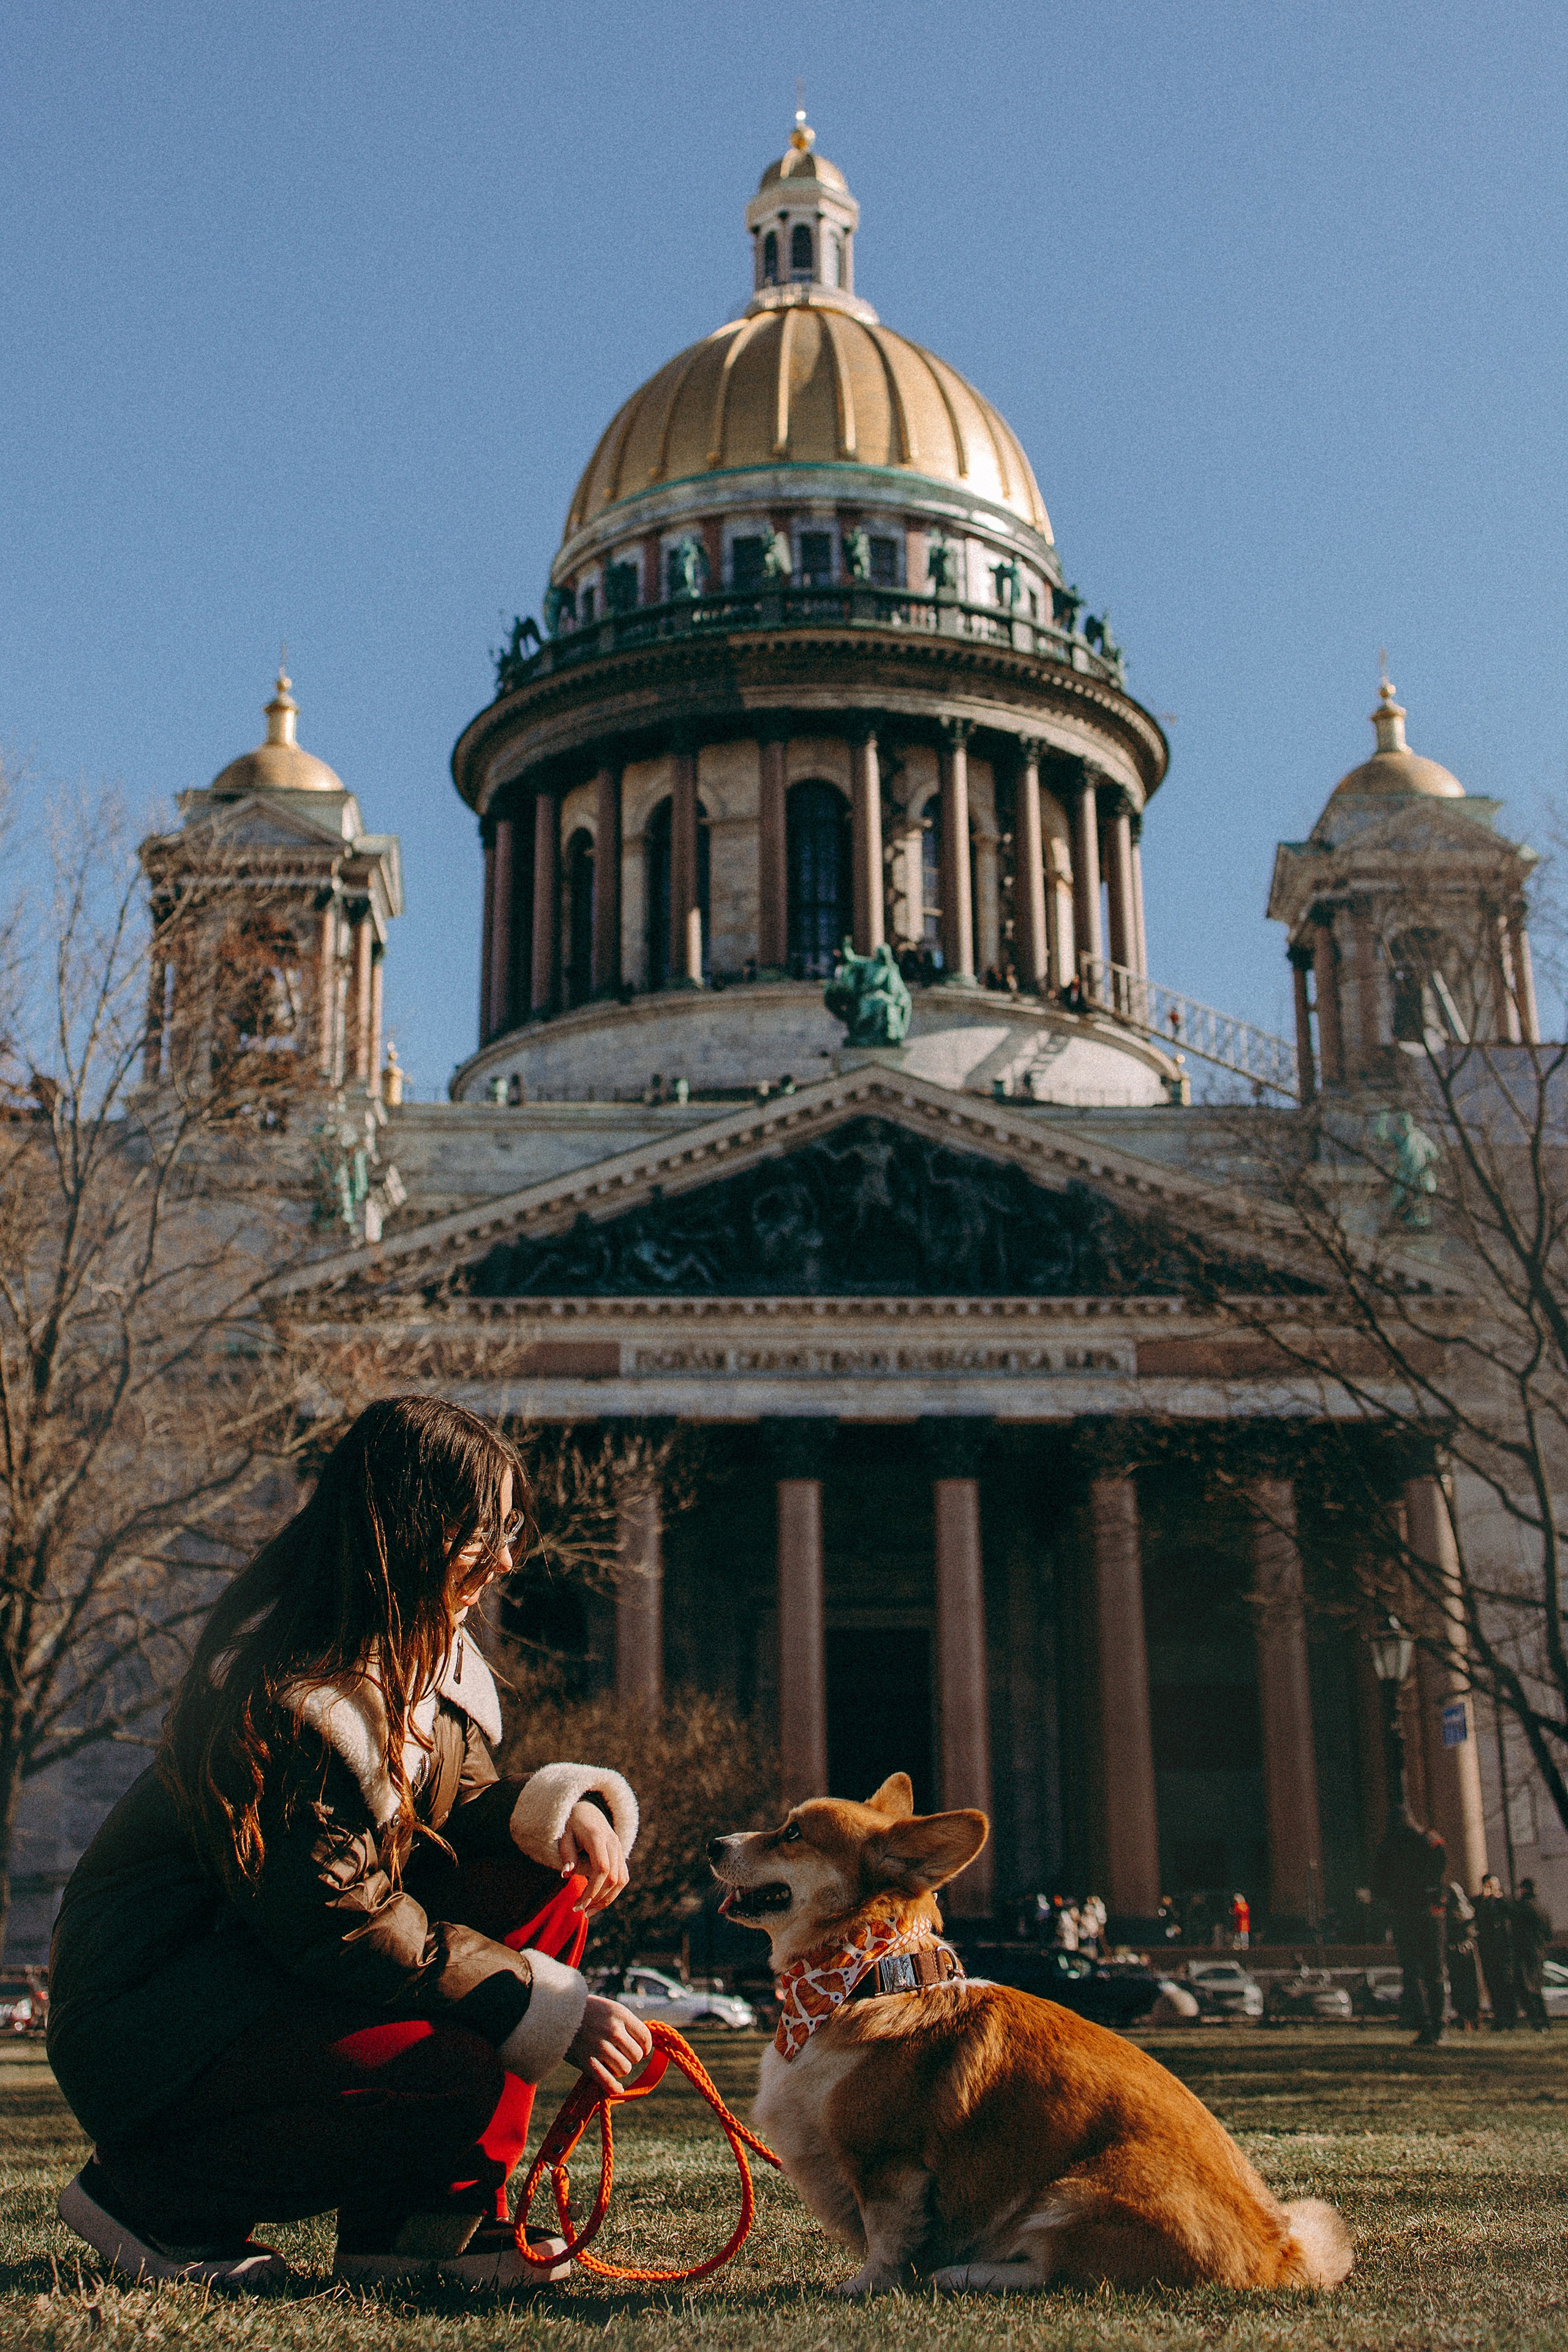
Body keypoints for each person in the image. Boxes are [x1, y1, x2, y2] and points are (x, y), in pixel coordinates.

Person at [47, 1395, 651, 2296]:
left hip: (264, 1985)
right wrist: (546, 2005)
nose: (508, 1558)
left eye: (513, 1529)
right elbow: (345, 1922)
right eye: (487, 1530)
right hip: (160, 2026)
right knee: (451, 2072)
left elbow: (456, 1808)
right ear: (413, 1526)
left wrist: (561, 1810)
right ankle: (155, 2199)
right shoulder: (285, 1694)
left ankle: (420, 2227)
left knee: (544, 1875)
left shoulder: (425, 1661)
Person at [1373, 1811, 1448, 2045]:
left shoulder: (1389, 1846)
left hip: (1405, 1913)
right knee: (1433, 1972)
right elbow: (1441, 1858)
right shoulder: (1427, 1839)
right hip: (1428, 1912)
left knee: (1414, 1973)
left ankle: (1426, 2025)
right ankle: (1437, 2025)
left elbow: (1378, 1880)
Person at [1512, 1877, 1553, 2032]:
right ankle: (1544, 2021)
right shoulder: (1542, 1908)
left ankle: (1537, 2021)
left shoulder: (1521, 1908)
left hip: (1524, 1953)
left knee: (1527, 1989)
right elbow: (1549, 1934)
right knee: (1537, 1988)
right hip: (1539, 1953)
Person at [1475, 1873, 1517, 2028]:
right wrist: (1486, 1900)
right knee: (1494, 1985)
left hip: (1505, 1951)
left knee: (1507, 1985)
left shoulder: (1504, 1902)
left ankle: (1510, 2019)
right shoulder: (1480, 1903)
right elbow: (1479, 1918)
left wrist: (1498, 1898)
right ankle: (1499, 2017)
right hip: (1489, 1952)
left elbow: (1511, 1914)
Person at [1444, 1883, 1482, 2030]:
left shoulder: (1462, 1911)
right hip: (1459, 1950)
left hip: (1463, 1950)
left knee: (1467, 1986)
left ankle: (1470, 2018)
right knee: (1462, 1986)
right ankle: (1466, 2018)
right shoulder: (1462, 1910)